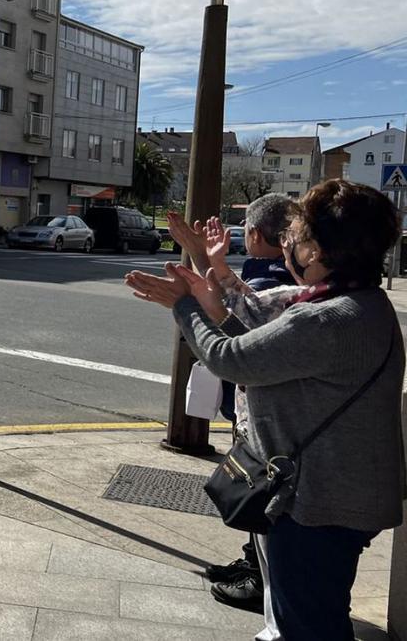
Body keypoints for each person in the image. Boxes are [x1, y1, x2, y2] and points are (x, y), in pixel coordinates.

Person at [127, 180, 406, 641]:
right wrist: (212, 306)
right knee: (316, 610)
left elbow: (230, 360)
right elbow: (267, 355)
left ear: (316, 250)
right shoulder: (362, 305)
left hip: (318, 501)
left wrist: (185, 306)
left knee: (308, 626)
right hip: (345, 495)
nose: (287, 243)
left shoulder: (324, 318)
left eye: (294, 234)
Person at [166, 194, 298, 613]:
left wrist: (185, 303)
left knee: (261, 491)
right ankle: (253, 566)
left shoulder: (273, 284)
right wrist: (210, 261)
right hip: (270, 416)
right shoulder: (288, 283)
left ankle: (259, 577)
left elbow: (232, 333)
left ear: (256, 234)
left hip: (264, 417)